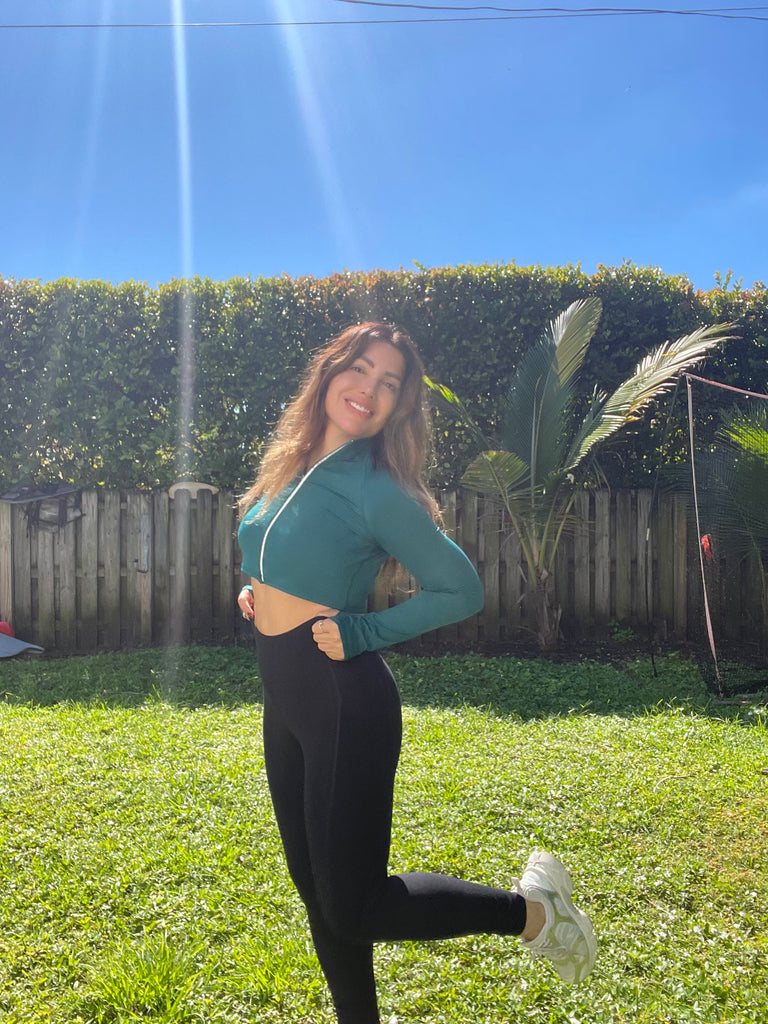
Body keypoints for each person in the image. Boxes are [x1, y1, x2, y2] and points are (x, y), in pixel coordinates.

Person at [236, 322, 597, 1024]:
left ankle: (534, 916)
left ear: (400, 404)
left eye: (389, 382)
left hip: (344, 700)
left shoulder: (376, 490)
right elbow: (273, 547)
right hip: (286, 695)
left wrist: (365, 630)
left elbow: (460, 590)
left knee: (357, 903)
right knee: (319, 893)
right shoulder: (292, 464)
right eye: (360, 369)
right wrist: (258, 589)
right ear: (331, 371)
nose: (368, 389)